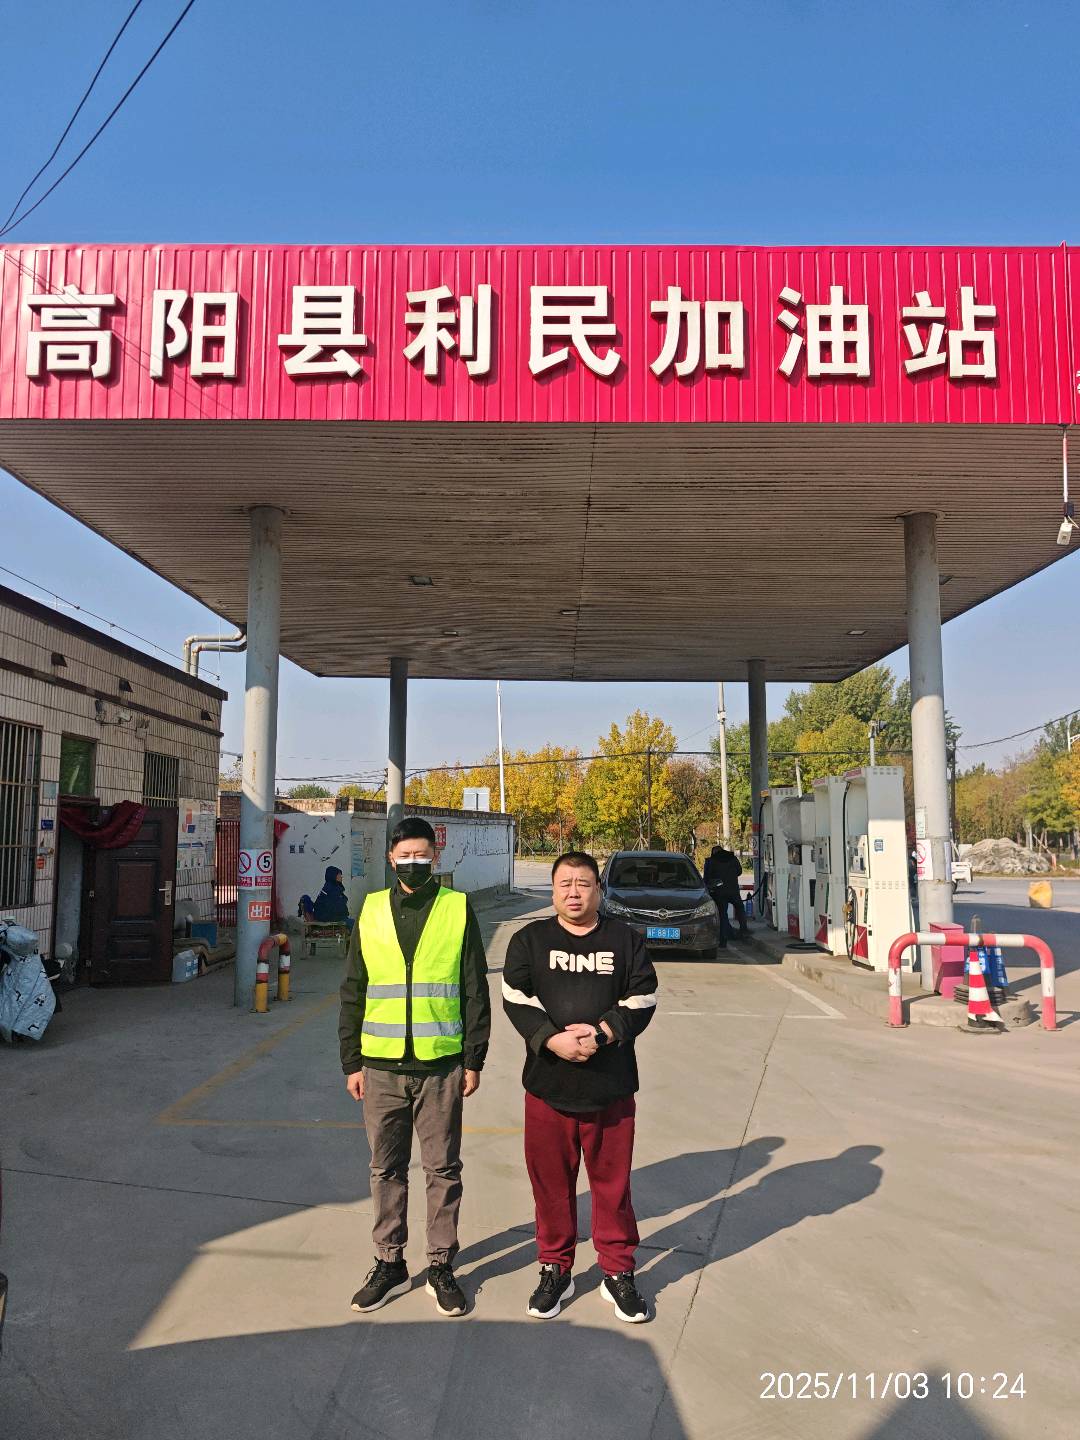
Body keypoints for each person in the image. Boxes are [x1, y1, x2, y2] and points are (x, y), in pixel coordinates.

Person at [338, 817, 491, 1318]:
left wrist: (473, 1058)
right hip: (380, 1066)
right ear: (391, 859)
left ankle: (441, 1265)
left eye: (421, 855)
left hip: (440, 1065)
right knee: (385, 1168)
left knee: (442, 1169)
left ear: (435, 857)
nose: (413, 863)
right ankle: (389, 1262)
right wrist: (351, 1060)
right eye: (404, 856)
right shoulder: (371, 909)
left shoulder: (456, 907)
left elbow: (474, 986)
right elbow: (354, 988)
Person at [502, 850, 658, 1325]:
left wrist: (603, 1033)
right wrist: (552, 1040)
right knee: (550, 1186)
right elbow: (514, 996)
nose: (574, 893)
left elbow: (643, 996)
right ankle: (556, 1267)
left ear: (598, 890)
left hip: (611, 1087)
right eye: (565, 884)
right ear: (553, 890)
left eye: (584, 884)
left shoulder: (625, 940)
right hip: (547, 1086)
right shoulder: (530, 940)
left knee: (612, 1187)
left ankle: (617, 1270)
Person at [703, 842, 748, 942]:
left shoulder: (711, 861)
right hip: (733, 890)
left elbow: (707, 877)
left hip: (720, 892)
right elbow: (739, 871)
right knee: (740, 908)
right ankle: (744, 930)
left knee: (723, 914)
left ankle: (723, 939)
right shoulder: (733, 858)